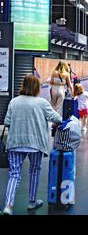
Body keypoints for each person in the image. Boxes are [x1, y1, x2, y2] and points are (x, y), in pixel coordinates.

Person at [1, 75, 63, 215]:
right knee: (34, 171)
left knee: (14, 174)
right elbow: (57, 118)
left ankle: (8, 206)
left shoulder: (14, 102)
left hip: (15, 143)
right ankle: (32, 201)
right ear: (37, 87)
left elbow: (7, 122)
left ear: (23, 86)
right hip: (35, 143)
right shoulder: (42, 103)